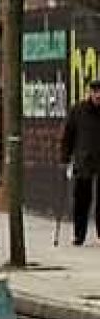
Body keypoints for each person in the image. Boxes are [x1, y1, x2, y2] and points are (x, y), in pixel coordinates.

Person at [61, 80, 100, 245]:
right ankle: (79, 234)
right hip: (84, 160)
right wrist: (65, 157)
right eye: (95, 91)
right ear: (90, 93)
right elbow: (68, 135)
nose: (99, 95)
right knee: (82, 198)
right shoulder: (78, 111)